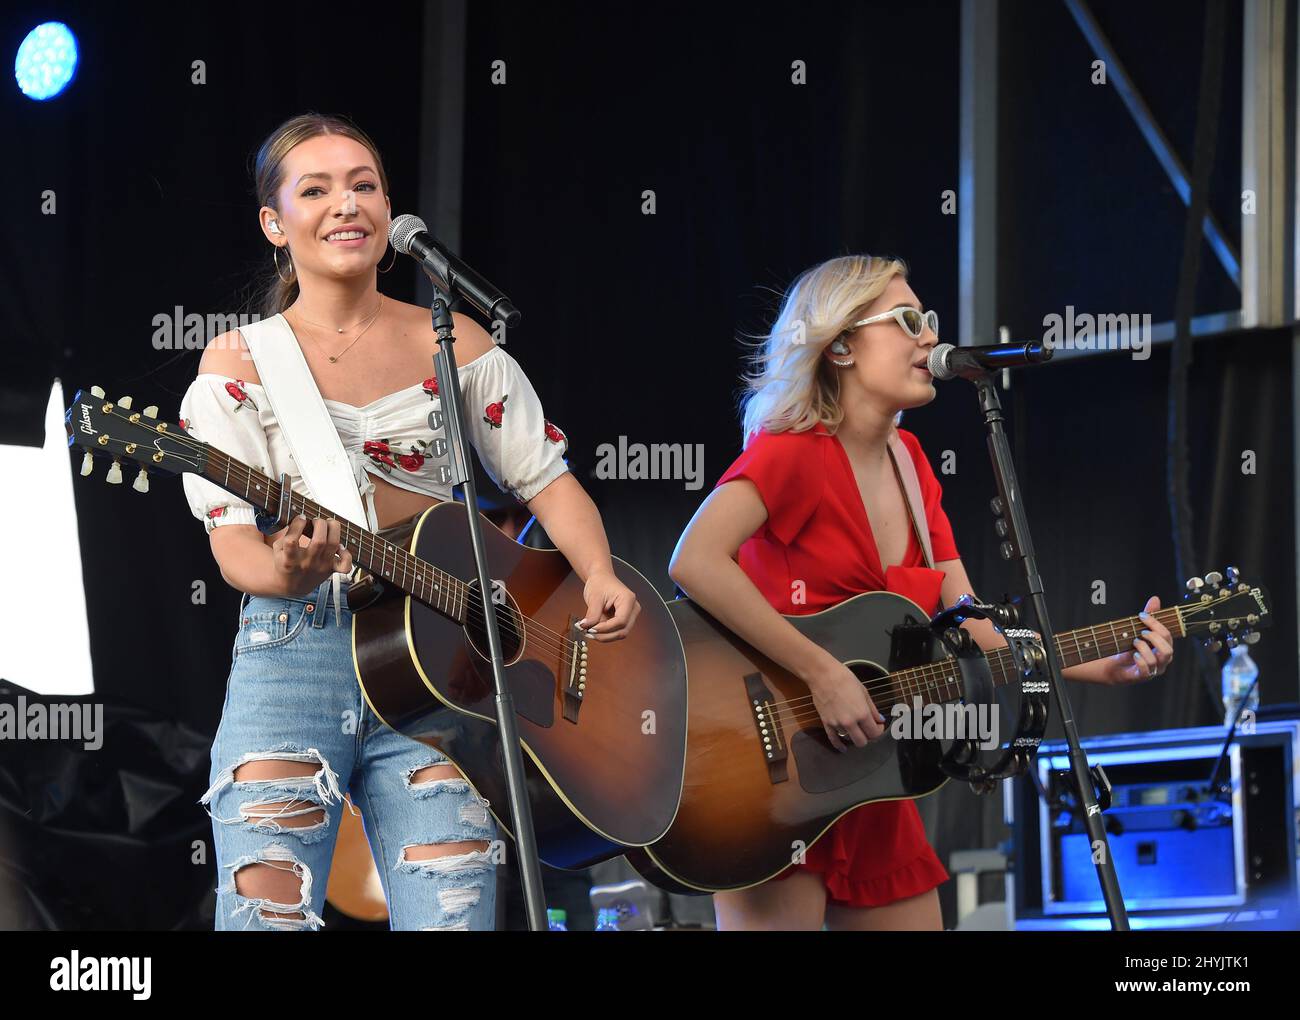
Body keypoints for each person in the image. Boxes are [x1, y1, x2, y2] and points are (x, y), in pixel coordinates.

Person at [181, 113, 640, 930]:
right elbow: (233, 547)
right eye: (314, 189)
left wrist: (599, 568)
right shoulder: (240, 361)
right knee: (263, 918)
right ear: (274, 223)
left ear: (392, 214)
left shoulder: (456, 342)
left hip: (444, 668)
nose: (344, 203)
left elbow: (546, 480)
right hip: (296, 655)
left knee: (454, 915)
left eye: (363, 185)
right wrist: (288, 569)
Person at [667, 254, 1173, 930]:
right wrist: (822, 674)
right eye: (908, 321)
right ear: (840, 344)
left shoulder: (913, 469)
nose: (930, 337)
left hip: (875, 778)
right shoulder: (793, 452)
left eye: (928, 321)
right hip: (772, 776)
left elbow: (972, 628)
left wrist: (1097, 663)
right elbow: (693, 560)